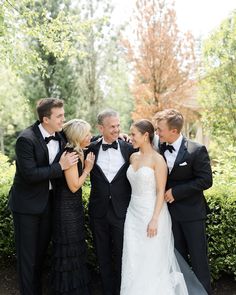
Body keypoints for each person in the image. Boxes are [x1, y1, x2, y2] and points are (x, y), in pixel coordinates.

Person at [8, 98, 79, 295]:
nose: (63, 120)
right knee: (28, 259)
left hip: (49, 204)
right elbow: (30, 174)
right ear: (45, 119)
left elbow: (82, 135)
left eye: (63, 115)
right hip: (26, 208)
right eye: (59, 116)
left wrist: (115, 137)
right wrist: (60, 167)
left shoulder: (61, 135)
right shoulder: (26, 139)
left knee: (40, 256)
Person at [120, 119, 189, 295]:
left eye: (133, 134)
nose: (131, 137)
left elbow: (160, 192)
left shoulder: (158, 160)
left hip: (152, 213)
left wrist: (154, 219)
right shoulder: (133, 156)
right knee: (133, 258)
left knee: (151, 260)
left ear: (145, 136)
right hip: (133, 213)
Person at [154, 109, 212, 295]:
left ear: (174, 131)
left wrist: (176, 192)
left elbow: (206, 180)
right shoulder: (159, 148)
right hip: (169, 216)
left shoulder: (196, 150)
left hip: (192, 215)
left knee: (198, 260)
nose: (157, 132)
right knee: (177, 262)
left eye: (160, 129)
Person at [86, 109, 134, 295]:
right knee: (102, 255)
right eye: (112, 126)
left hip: (122, 212)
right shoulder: (91, 147)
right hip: (98, 212)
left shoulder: (128, 148)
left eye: (118, 126)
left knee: (123, 256)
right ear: (101, 128)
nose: (116, 129)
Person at [51, 119, 95, 295]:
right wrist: (87, 169)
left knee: (75, 250)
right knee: (68, 251)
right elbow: (74, 186)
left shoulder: (79, 150)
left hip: (73, 208)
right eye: (86, 134)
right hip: (65, 210)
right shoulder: (71, 154)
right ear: (78, 137)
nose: (90, 136)